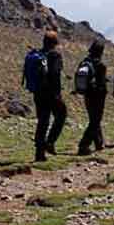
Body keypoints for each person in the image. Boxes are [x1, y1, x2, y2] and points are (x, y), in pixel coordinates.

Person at [27, 31, 67, 162]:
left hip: (38, 93)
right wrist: (57, 94)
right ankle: (49, 142)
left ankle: (39, 153)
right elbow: (55, 75)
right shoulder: (54, 55)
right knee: (61, 115)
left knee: (43, 121)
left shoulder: (37, 54)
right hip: (51, 94)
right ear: (54, 43)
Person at [76, 40, 108, 156]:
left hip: (87, 96)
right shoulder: (100, 65)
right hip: (97, 97)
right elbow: (101, 84)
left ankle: (99, 143)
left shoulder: (84, 62)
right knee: (95, 121)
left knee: (94, 119)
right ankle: (83, 145)